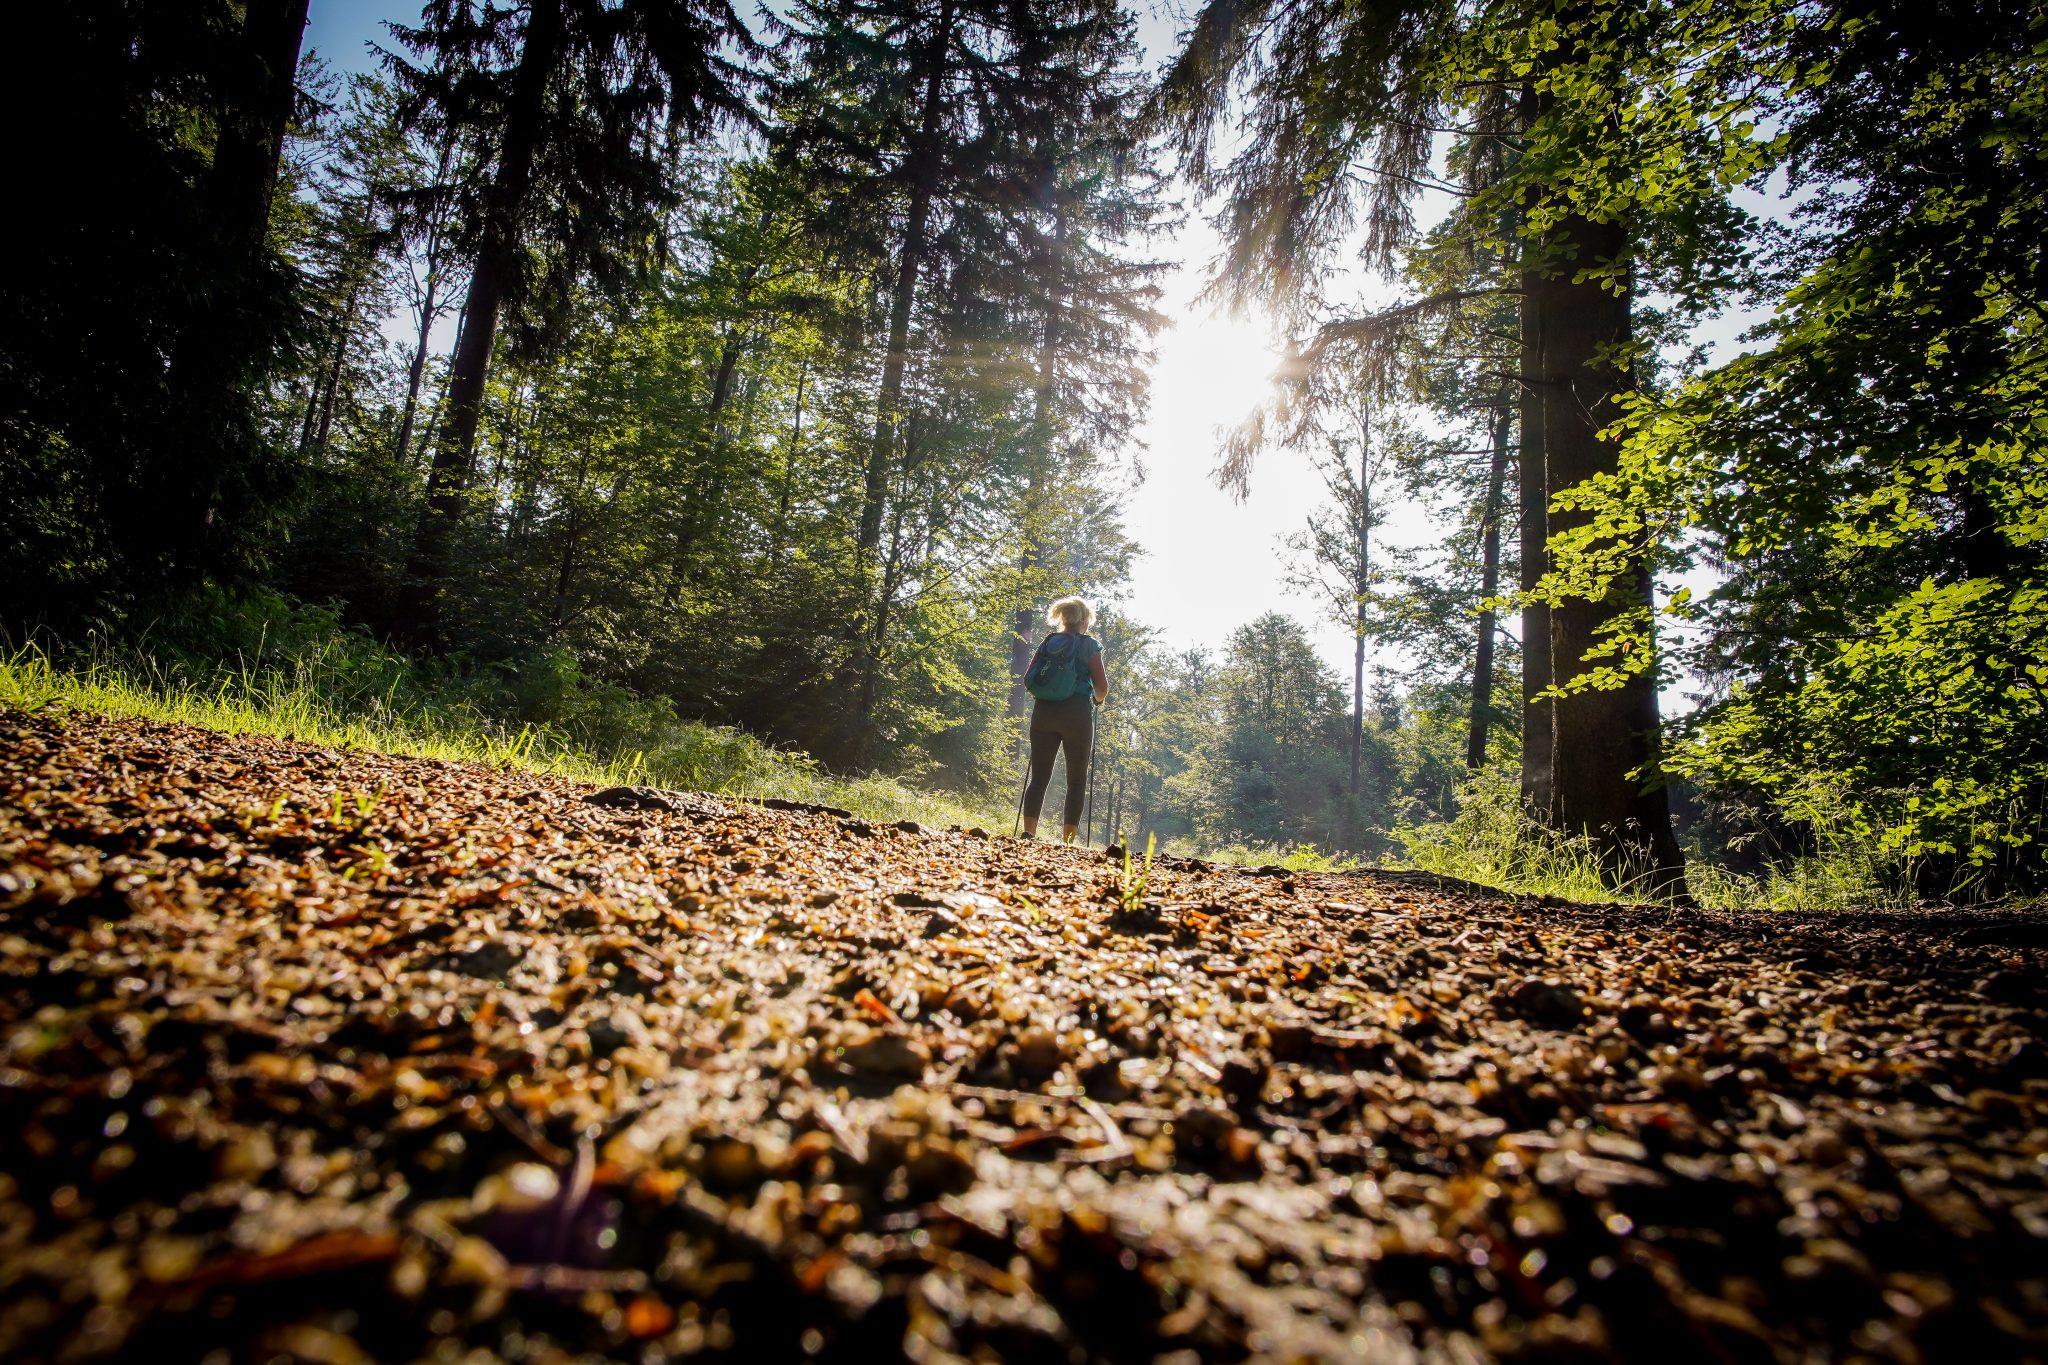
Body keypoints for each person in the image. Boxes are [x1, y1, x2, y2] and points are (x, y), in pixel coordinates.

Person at [1020, 595, 1109, 843]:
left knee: (1038, 777)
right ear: (1083, 620)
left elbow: (1028, 679)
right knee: (1077, 780)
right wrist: (1098, 701)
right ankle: (1066, 841)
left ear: (1064, 619)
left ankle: (1028, 833)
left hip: (1044, 713)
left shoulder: (1048, 642)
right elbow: (1101, 687)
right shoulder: (1089, 645)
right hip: (1076, 715)